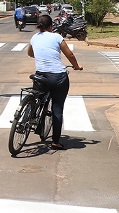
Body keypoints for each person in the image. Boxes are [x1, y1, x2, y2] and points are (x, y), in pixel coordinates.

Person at [26, 14, 83, 150]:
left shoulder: (34, 37)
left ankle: (28, 118)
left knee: (37, 98)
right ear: (51, 26)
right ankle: (55, 142)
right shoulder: (57, 37)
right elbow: (69, 54)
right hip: (58, 77)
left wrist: (40, 54)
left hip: (40, 76)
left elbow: (30, 53)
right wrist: (76, 66)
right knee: (57, 109)